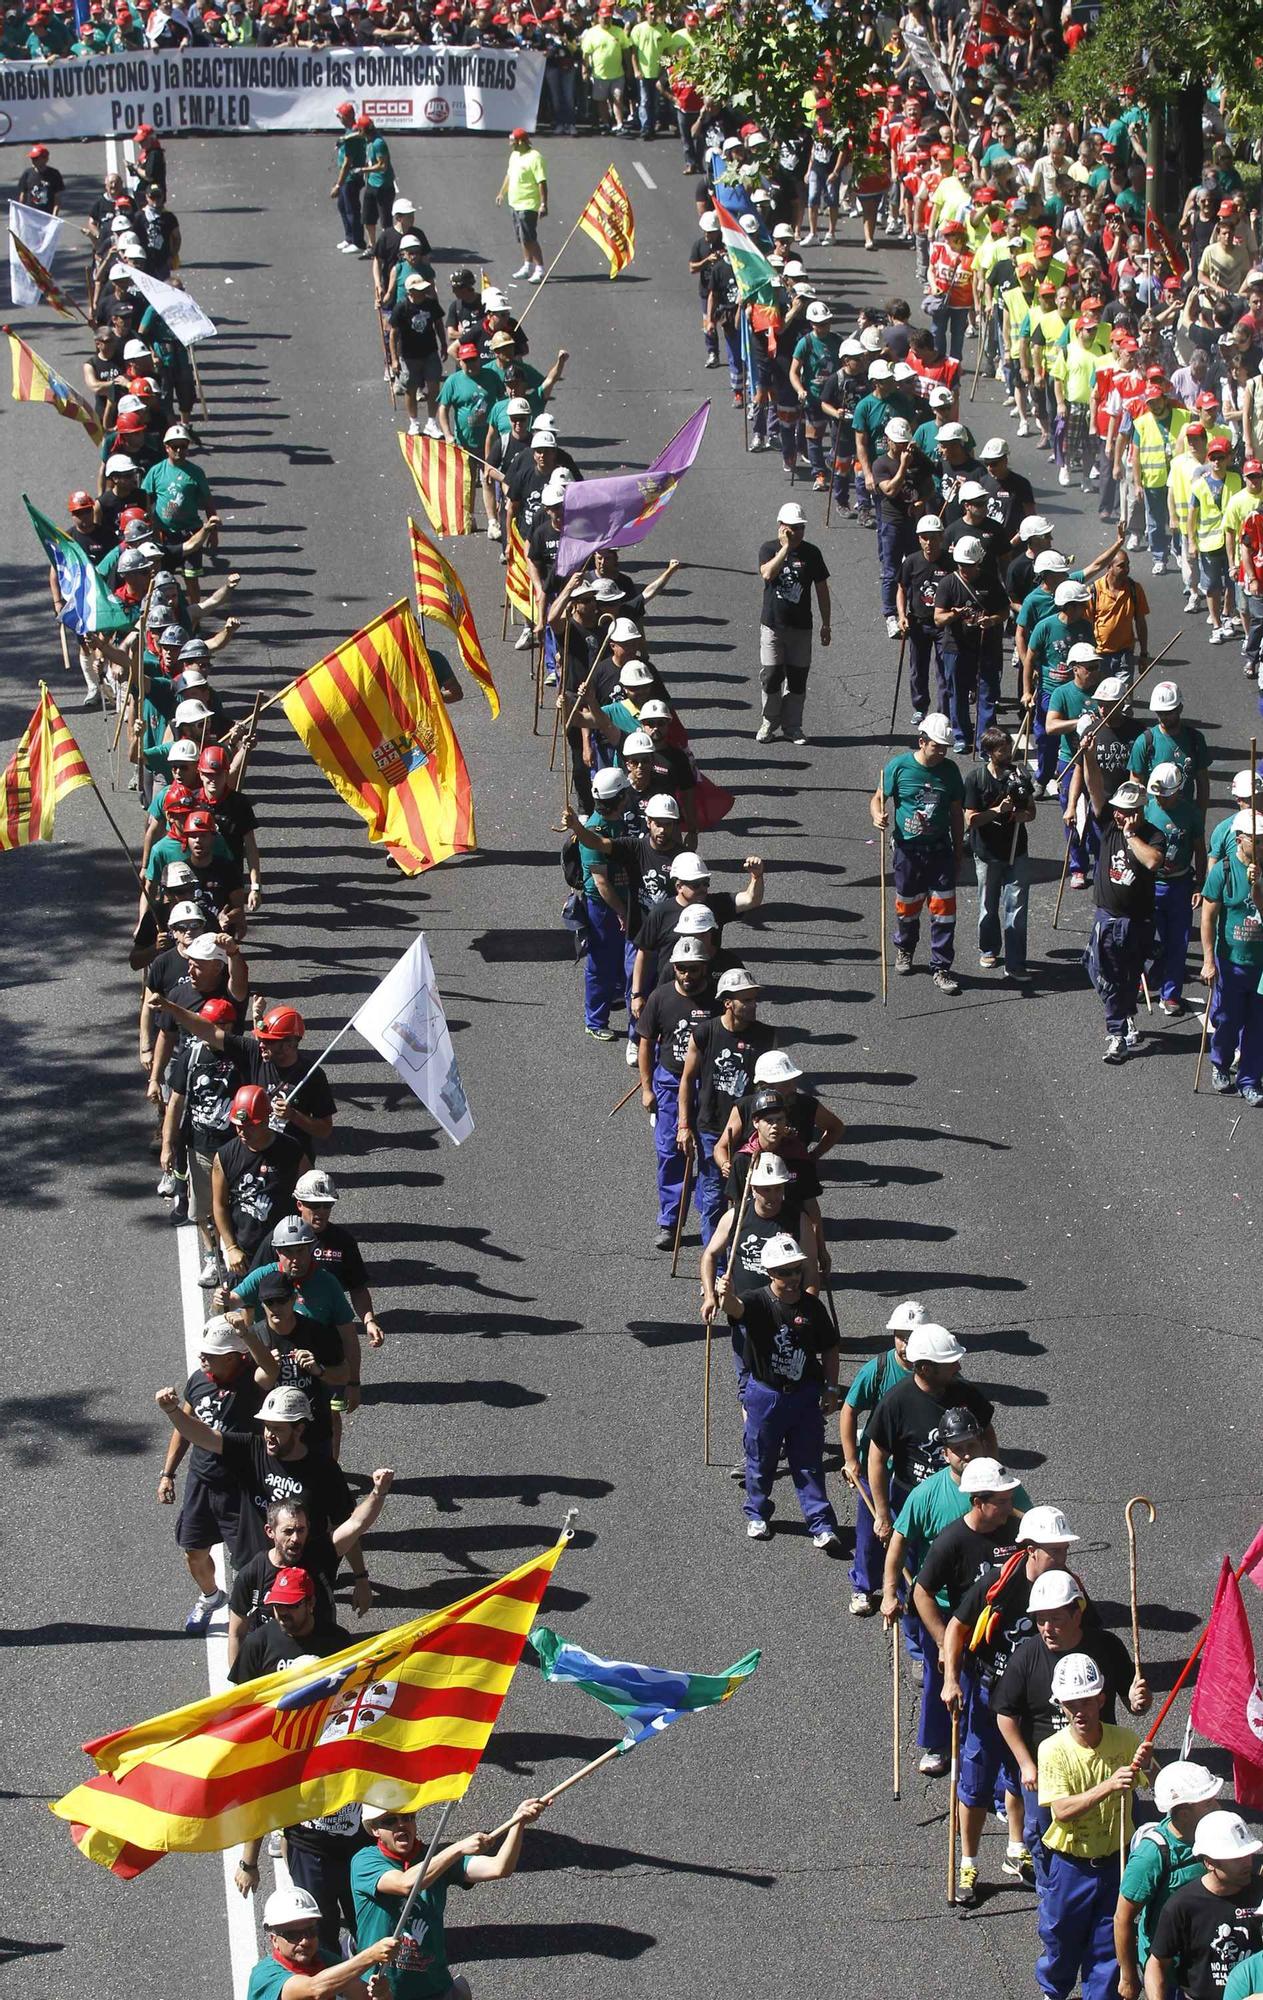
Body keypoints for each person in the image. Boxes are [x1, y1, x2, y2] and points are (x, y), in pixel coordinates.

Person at [351, 1796, 548, 2000]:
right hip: (381, 1991)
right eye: (390, 1821)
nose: (402, 1824)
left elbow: (500, 1867)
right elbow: (405, 1884)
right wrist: (457, 1849)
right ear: (375, 1830)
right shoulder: (364, 1861)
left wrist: (518, 1822)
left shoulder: (436, 1858)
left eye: (408, 1817)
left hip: (435, 1989)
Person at [1036, 1652, 1151, 2000]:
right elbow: (1062, 1811)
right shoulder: (1052, 1750)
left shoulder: (1126, 1740)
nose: (1079, 1711)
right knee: (1060, 1939)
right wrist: (1107, 1787)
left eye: (1086, 1701)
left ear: (1101, 1699)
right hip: (1071, 1866)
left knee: (1111, 1945)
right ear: (1061, 1705)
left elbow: (1158, 1788)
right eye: (1071, 1704)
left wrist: (1152, 1764)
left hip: (1117, 1861)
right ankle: (1053, 1992)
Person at [716, 1234, 842, 1550]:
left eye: (796, 1270)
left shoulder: (813, 1307)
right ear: (770, 1272)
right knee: (760, 1458)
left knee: (808, 1462)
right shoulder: (756, 1301)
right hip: (765, 1395)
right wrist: (724, 1295)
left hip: (803, 1396)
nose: (792, 1278)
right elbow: (734, 1308)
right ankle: (757, 1513)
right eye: (784, 1272)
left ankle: (821, 1524)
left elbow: (829, 1348)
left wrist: (830, 1386)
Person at [158, 1314, 267, 1632]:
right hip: (201, 1482)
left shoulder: (254, 1382)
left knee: (249, 1560)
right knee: (193, 1551)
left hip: (241, 1487)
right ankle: (211, 1596)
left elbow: (269, 1369)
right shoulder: (199, 1379)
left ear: (234, 1357)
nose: (201, 1357)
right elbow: (184, 1427)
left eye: (211, 1354)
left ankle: (253, 1615)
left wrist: (247, 1333)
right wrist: (168, 1473)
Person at [1081, 744, 1165, 1064]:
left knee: (1130, 975)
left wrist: (1131, 836)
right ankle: (1116, 1032)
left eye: (1126, 811)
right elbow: (1094, 788)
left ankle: (1124, 1015)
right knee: (1102, 970)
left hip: (1138, 922)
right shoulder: (1107, 824)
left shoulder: (1153, 835)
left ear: (1140, 811)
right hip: (1107, 916)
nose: (1119, 815)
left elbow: (1153, 861)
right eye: (1117, 809)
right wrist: (1088, 755)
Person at [840, 1300, 924, 1616]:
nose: (906, 1344)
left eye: (913, 1336)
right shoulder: (876, 1370)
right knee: (871, 1532)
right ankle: (863, 1586)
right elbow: (849, 1410)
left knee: (910, 1535)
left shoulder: (932, 1372)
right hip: (878, 1472)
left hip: (915, 1474)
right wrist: (851, 1458)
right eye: (901, 1336)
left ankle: (906, 1591)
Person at [872, 714, 966, 994]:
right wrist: (878, 816)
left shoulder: (950, 771)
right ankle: (905, 947)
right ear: (922, 741)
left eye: (945, 747)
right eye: (937, 746)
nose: (942, 751)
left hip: (940, 852)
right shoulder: (898, 767)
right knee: (907, 907)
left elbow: (956, 814)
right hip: (907, 852)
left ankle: (941, 966)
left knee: (944, 912)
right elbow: (878, 798)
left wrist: (959, 850)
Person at [1114, 1762, 1224, 2000]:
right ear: (1184, 1814)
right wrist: (1128, 1976)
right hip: (1170, 1972)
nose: (1218, 1806)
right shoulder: (1151, 1855)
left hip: (1208, 1960)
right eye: (1208, 1803)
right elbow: (1123, 1917)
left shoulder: (1216, 1834)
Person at [1146, 1812, 1263, 2000]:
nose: (1247, 1863)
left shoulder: (1261, 1892)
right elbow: (1157, 1964)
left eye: (1248, 1854)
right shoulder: (1182, 1905)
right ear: (1209, 1862)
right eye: (1236, 1858)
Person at [755, 502, 831, 746]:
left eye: (800, 528)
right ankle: (769, 721)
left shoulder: (812, 553)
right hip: (773, 626)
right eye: (792, 528)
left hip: (801, 627)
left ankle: (793, 726)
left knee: (798, 678)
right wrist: (785, 548)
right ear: (781, 527)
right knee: (772, 675)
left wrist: (826, 623)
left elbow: (821, 589)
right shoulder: (768, 549)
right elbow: (767, 574)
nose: (797, 532)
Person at [1200, 810, 1263, 1102]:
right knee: (1227, 1019)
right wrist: (1209, 960)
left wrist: (1257, 886)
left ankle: (1250, 1080)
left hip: (1260, 966)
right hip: (1232, 962)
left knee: (1258, 1024)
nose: (1262, 844)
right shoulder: (1222, 871)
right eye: (1258, 839)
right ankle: (1220, 1063)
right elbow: (1209, 918)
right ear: (1240, 840)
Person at [963, 724, 1036, 978]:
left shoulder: (1019, 776)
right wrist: (997, 811)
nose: (1008, 754)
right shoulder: (975, 779)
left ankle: (1016, 962)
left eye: (1009, 749)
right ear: (989, 753)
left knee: (1016, 908)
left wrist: (1021, 815)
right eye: (1002, 751)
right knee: (988, 905)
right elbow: (970, 820)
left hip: (1017, 852)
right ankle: (989, 948)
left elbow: (1031, 811)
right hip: (987, 853)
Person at [247, 1883, 396, 2000]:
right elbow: (314, 1989)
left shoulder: (325, 1960)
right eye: (293, 1935)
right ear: (274, 1940)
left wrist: (381, 1994)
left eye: (310, 1931)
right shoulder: (265, 1976)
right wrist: (371, 1956)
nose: (305, 1941)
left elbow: (363, 1996)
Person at [496, 129, 547, 284]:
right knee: (522, 237)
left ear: (520, 142)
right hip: (515, 203)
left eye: (512, 141)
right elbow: (509, 175)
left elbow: (541, 182)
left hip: (528, 204)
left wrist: (543, 204)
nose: (509, 144)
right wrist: (501, 193)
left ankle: (540, 268)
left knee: (530, 237)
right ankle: (527, 265)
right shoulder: (514, 156)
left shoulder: (535, 158)